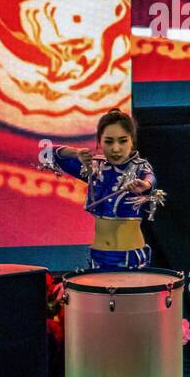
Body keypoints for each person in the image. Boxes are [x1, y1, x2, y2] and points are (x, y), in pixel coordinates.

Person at [38, 108, 165, 270]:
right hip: (99, 256)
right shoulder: (95, 169)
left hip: (130, 257)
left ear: (132, 141)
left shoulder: (139, 167)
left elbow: (150, 179)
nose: (116, 148)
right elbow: (46, 152)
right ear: (99, 142)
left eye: (123, 141)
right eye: (109, 141)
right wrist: (75, 153)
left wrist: (145, 185)